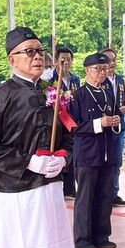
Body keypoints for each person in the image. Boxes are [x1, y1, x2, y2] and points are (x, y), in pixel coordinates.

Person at [0, 26, 80, 248]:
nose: (37, 57)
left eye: (40, 51)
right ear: (12, 59)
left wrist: (64, 157)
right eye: (29, 52)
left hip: (50, 186)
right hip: (15, 191)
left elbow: (67, 134)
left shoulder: (51, 92)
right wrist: (28, 161)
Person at [68, 53, 120, 248]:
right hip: (87, 153)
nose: (102, 72)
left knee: (105, 195)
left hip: (107, 151)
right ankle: (83, 238)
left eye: (104, 69)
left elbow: (115, 118)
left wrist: (114, 123)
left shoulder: (108, 93)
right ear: (87, 71)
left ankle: (102, 235)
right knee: (86, 196)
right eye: (97, 69)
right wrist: (100, 123)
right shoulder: (78, 95)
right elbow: (72, 127)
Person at [48, 46, 81, 199]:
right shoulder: (50, 79)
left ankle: (70, 187)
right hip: (58, 121)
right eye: (63, 60)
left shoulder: (75, 79)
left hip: (72, 121)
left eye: (68, 60)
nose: (66, 63)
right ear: (56, 61)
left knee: (72, 154)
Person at [100, 47, 125, 207]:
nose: (111, 63)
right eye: (107, 60)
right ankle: (104, 193)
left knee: (117, 161)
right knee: (105, 161)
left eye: (113, 60)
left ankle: (114, 192)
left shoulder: (120, 79)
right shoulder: (99, 81)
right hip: (104, 127)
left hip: (119, 124)